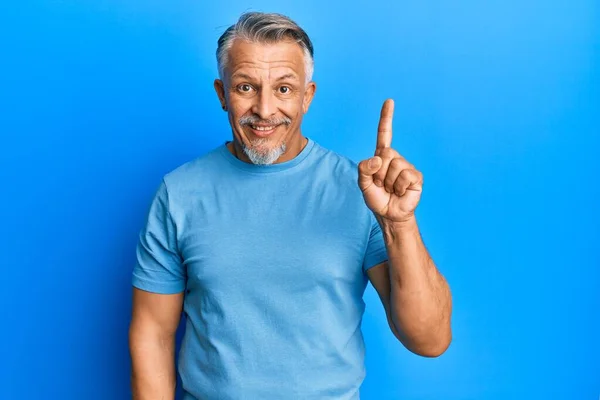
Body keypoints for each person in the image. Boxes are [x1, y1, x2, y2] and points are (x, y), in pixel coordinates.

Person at [128, 11, 452, 400]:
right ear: (221, 94)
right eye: (246, 87)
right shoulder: (178, 194)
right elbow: (153, 334)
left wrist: (399, 223)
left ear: (307, 96)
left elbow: (429, 339)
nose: (264, 110)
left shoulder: (360, 191)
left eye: (283, 89)